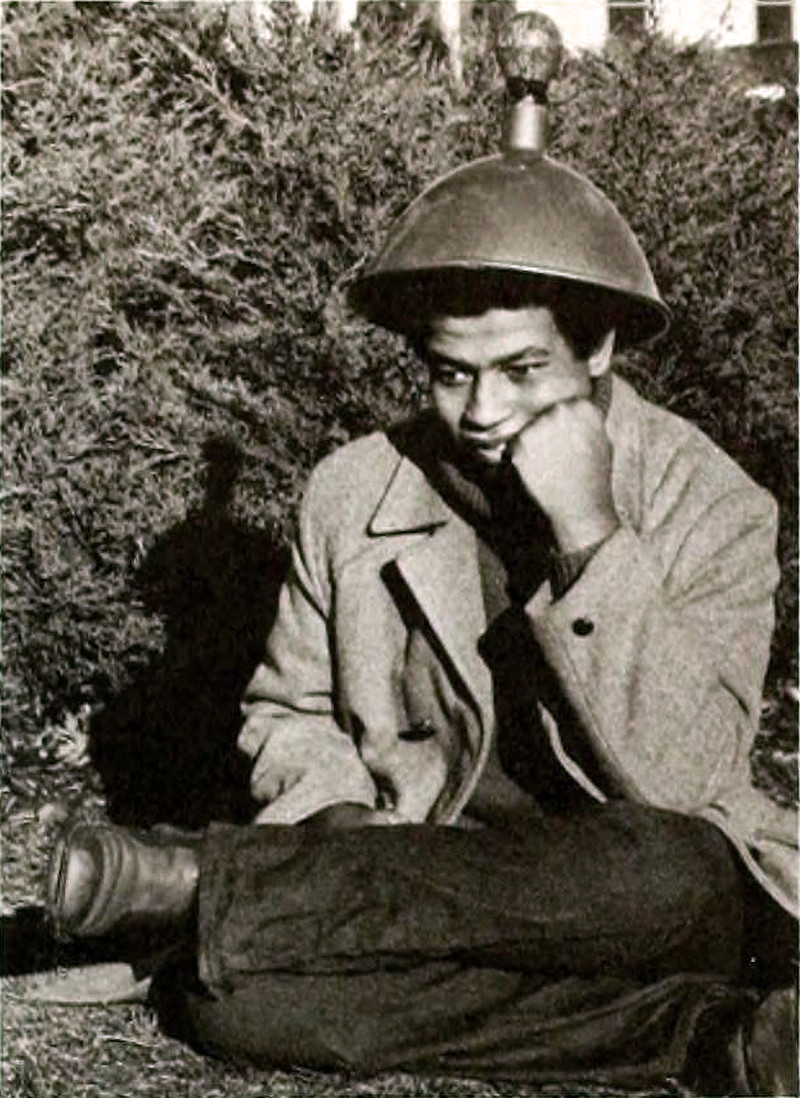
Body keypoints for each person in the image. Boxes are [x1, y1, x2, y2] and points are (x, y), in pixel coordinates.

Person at [46, 12, 797, 1095]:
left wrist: (591, 535)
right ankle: (710, 1040)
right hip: (410, 877)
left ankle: (219, 885)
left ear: (598, 348)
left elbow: (691, 779)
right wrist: (334, 817)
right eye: (451, 373)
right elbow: (291, 712)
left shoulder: (708, 499)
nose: (482, 412)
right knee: (232, 996)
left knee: (672, 871)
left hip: (630, 887)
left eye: (522, 370)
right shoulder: (353, 492)